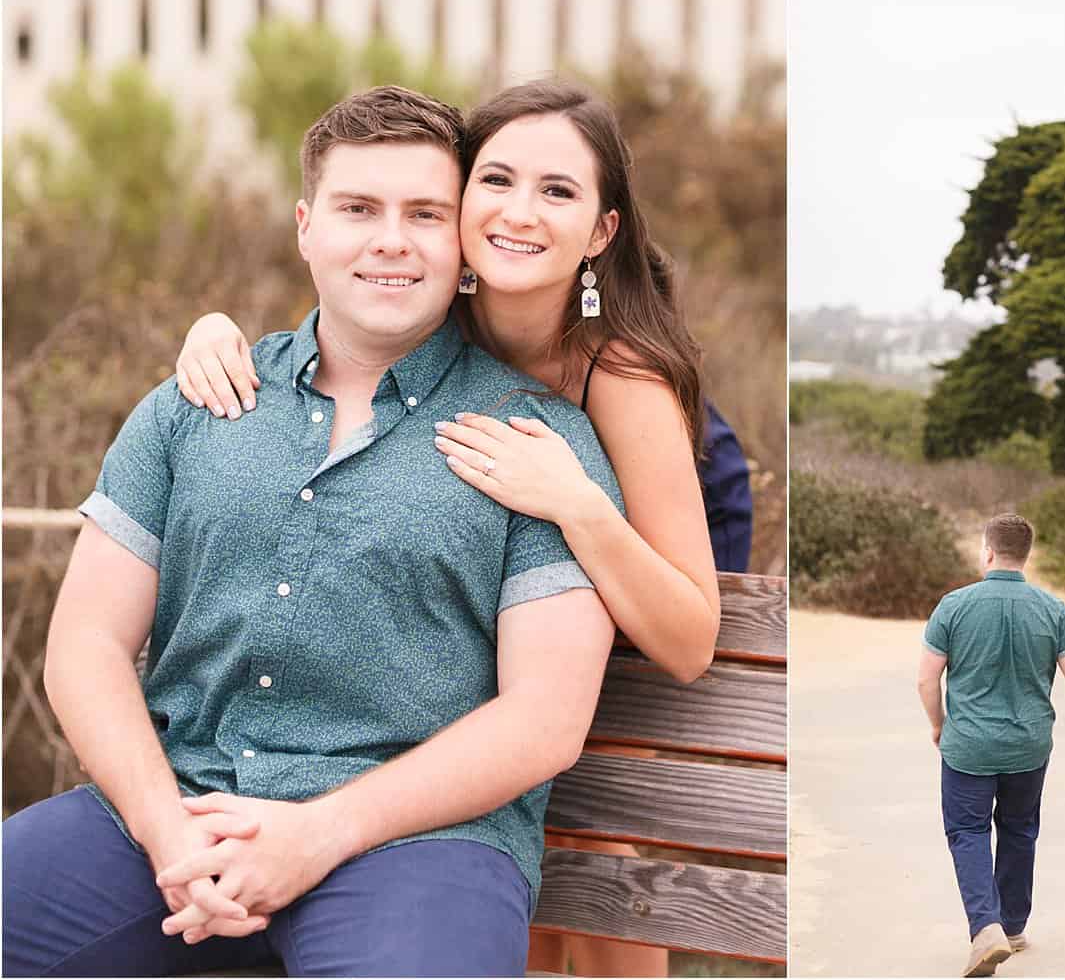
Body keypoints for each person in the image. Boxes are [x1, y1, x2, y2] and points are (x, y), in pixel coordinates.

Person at [1, 86, 621, 976]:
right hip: (176, 814)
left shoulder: (538, 443)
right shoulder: (192, 408)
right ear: (305, 225)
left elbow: (544, 719)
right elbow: (88, 642)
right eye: (358, 208)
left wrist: (317, 834)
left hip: (419, 848)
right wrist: (168, 831)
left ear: (463, 240)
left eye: (425, 213)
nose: (391, 240)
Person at [169, 76, 730, 976]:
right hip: (494, 524)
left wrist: (577, 502)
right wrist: (210, 329)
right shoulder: (430, 292)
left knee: (591, 813)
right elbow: (338, 331)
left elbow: (691, 639)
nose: (518, 212)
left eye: (558, 192)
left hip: (638, 526)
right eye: (496, 181)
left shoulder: (621, 379)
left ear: (601, 231)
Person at [918, 513, 1065, 978]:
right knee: (1019, 830)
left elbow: (926, 678)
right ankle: (1012, 926)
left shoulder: (954, 606)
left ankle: (986, 928)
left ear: (988, 551)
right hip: (1028, 746)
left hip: (968, 746)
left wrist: (938, 725)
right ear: (1026, 555)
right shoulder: (1053, 609)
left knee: (968, 831)